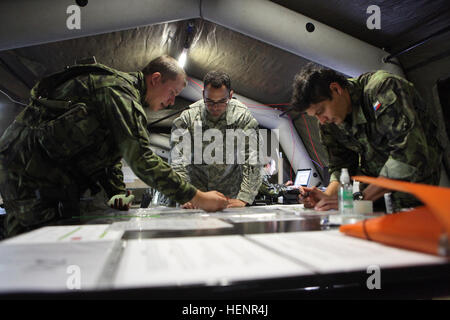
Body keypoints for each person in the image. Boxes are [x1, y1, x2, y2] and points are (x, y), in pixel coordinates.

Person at [0, 55, 227, 238]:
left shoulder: (121, 93)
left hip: (26, 170)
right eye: (172, 93)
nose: (171, 101)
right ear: (156, 78)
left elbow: (107, 155)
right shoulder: (118, 92)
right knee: (44, 247)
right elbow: (140, 158)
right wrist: (196, 196)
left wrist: (117, 192)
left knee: (32, 243)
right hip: (28, 175)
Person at [290, 63, 442, 211]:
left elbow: (407, 154)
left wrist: (360, 199)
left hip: (414, 196)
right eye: (315, 116)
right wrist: (326, 197)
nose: (321, 120)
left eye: (320, 111)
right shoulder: (329, 123)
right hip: (375, 200)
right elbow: (341, 167)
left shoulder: (382, 89)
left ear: (336, 89)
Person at [170, 70, 262, 208]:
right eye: (210, 101)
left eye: (221, 101)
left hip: (229, 199)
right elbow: (178, 162)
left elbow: (253, 161)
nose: (215, 107)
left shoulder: (243, 118)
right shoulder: (187, 118)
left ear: (230, 95)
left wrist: (244, 198)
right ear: (203, 95)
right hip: (195, 196)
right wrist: (185, 196)